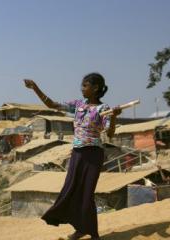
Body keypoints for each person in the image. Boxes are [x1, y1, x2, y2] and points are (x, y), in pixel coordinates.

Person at [24, 73, 122, 240]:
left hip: (93, 154)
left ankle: (91, 232)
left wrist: (113, 117)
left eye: (85, 86)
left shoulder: (103, 109)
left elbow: (110, 134)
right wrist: (35, 88)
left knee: (87, 192)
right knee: (72, 190)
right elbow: (52, 104)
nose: (81, 88)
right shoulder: (78, 105)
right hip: (77, 153)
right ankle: (81, 228)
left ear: (95, 88)